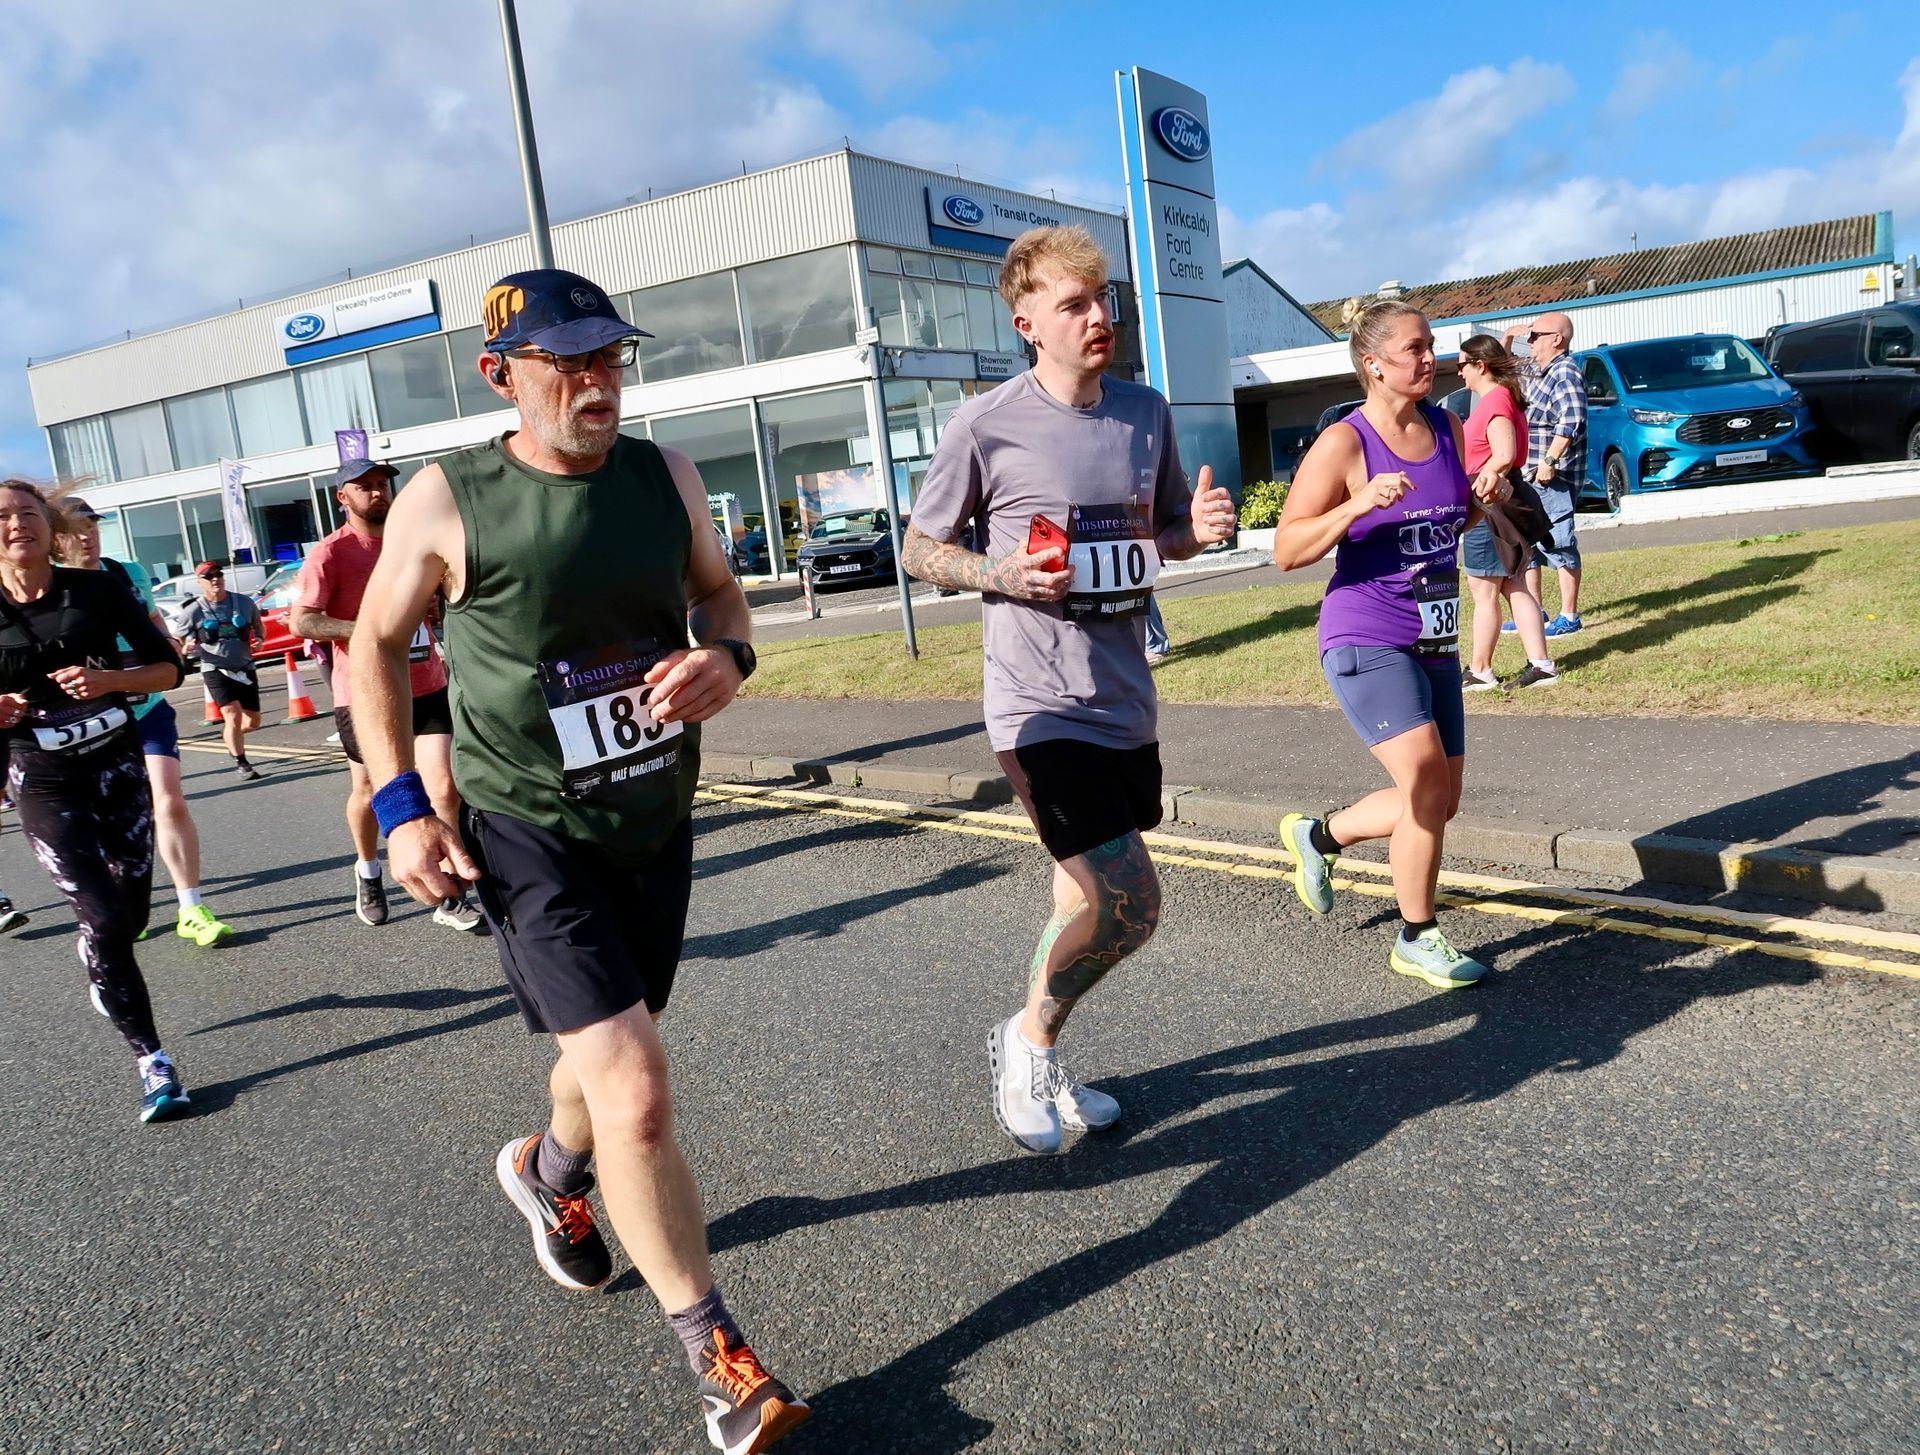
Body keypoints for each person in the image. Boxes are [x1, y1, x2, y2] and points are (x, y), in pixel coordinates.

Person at [349, 269, 807, 1454]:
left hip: (651, 815)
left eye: (610, 357)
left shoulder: (667, 477)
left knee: (605, 1055)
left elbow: (722, 598)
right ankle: (722, 1363)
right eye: (568, 363)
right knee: (636, 1086)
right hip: (526, 828)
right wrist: (402, 807)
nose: (598, 382)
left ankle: (548, 1172)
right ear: (501, 374)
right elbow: (375, 648)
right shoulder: (448, 499)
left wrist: (728, 659)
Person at [901, 224, 1237, 1155]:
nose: (1099, 318)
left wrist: (1198, 530)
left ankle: (1042, 1053)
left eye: (1104, 300)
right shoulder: (985, 423)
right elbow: (919, 547)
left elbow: (1162, 531)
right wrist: (1000, 574)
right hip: (1036, 704)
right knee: (1130, 901)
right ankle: (1029, 1041)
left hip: (1124, 696)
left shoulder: (1145, 411)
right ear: (1027, 324)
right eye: (1075, 304)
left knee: (1075, 897)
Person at [1271, 300, 1510, 989]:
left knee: (1438, 799)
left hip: (1434, 636)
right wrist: (1357, 503)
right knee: (1425, 780)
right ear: (1373, 364)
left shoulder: (1446, 426)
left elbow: (1448, 519)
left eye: (1431, 344)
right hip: (1365, 632)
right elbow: (1287, 548)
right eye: (1414, 348)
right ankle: (1417, 936)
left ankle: (1320, 836)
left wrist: (1484, 497)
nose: (1430, 358)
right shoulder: (1344, 443)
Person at [0, 480, 189, 1120]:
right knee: (104, 920)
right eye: (3, 516)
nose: (17, 524)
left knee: (129, 917)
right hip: (43, 780)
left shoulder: (96, 589)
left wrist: (108, 679)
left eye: (28, 513)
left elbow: (169, 669)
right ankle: (154, 1064)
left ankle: (100, 952)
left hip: (117, 766)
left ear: (50, 526)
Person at [292, 458, 483, 934]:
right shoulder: (330, 553)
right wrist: (370, 631)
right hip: (365, 691)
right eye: (365, 487)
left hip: (427, 683)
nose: (378, 492)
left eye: (382, 484)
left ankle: (448, 893)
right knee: (371, 791)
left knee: (444, 786)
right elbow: (302, 620)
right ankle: (368, 869)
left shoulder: (410, 539)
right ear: (343, 498)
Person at [53, 495, 233, 945]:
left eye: (93, 526)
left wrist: (167, 642)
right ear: (56, 539)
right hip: (92, 721)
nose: (88, 537)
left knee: (169, 801)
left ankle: (191, 908)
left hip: (148, 709)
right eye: (77, 530)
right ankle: (123, 903)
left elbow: (151, 618)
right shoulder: (53, 589)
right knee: (105, 821)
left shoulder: (127, 573)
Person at [1454, 337, 1557, 691]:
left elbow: (1504, 454)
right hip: (1499, 501)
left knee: (1484, 590)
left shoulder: (1496, 399)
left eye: (1462, 365)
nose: (1460, 373)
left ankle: (1480, 670)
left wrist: (1480, 488)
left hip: (1489, 506)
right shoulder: (1503, 396)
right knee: (1514, 584)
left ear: (1480, 365)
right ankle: (1541, 664)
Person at [1503, 311, 1587, 636]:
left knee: (1560, 542)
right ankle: (1535, 612)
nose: (1530, 340)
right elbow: (1501, 368)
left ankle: (1569, 616)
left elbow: (1572, 420)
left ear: (1557, 339)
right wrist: (1508, 336)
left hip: (1552, 476)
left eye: (1535, 335)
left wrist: (1550, 461)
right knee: (1530, 544)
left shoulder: (1564, 372)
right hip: (1529, 474)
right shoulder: (1538, 370)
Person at [182, 561, 267, 778]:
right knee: (232, 715)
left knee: (253, 722)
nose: (215, 579)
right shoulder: (194, 610)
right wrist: (185, 646)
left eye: (218, 574)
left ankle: (231, 736)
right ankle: (242, 763)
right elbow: (177, 636)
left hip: (244, 666)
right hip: (215, 668)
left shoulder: (244, 602)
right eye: (208, 576)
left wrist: (259, 639)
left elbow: (258, 625)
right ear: (199, 582)